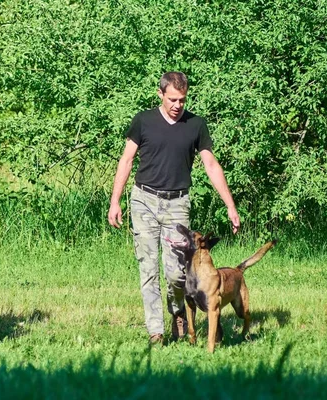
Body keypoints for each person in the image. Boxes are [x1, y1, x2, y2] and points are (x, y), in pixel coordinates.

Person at [107, 72, 240, 345]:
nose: (178, 105)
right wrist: (115, 201)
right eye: (172, 99)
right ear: (161, 95)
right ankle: (156, 331)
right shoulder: (143, 121)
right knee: (148, 269)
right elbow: (126, 160)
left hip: (178, 204)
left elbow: (211, 165)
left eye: (182, 99)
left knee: (177, 273)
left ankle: (178, 311)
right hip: (143, 199)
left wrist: (230, 205)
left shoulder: (196, 125)